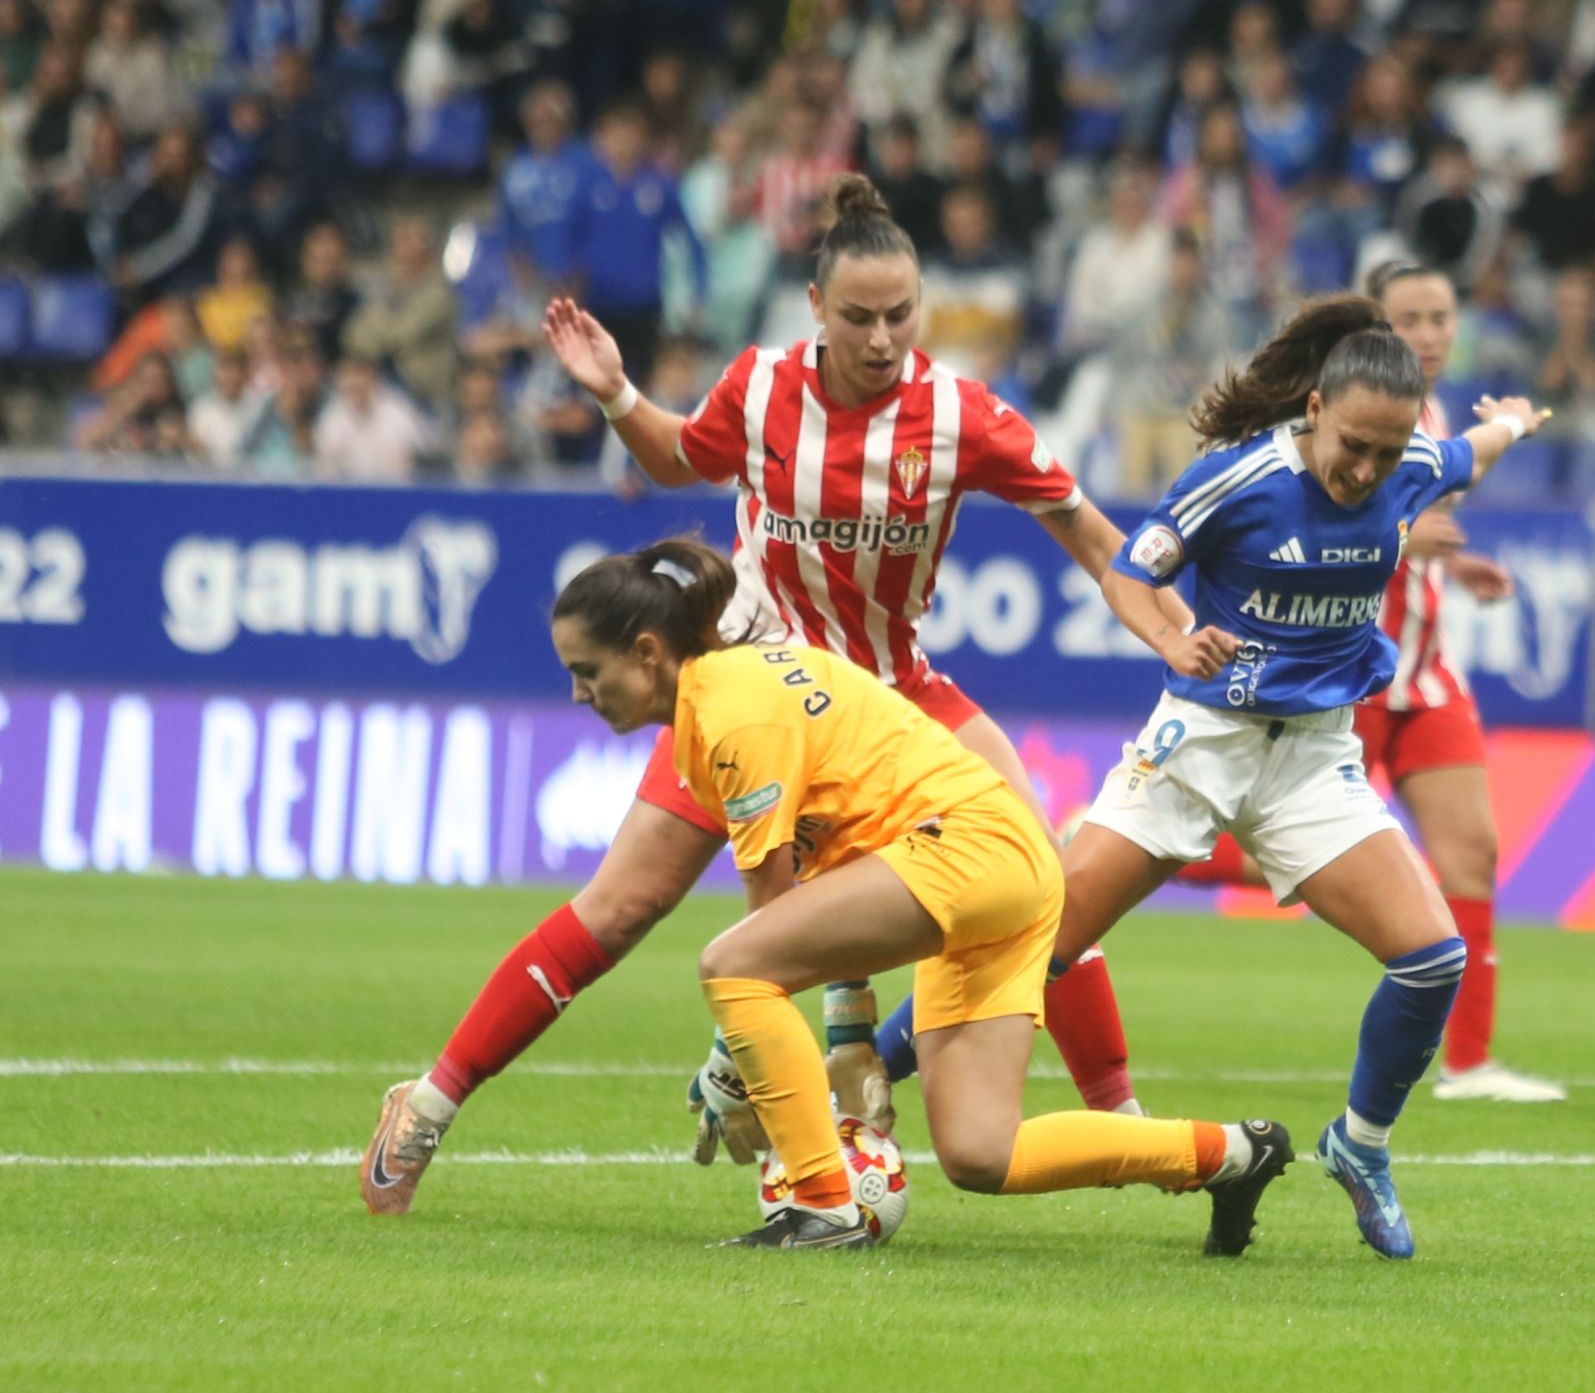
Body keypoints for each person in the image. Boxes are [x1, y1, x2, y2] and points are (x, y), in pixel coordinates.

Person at [359, 175, 1165, 1214]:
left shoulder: (961, 415)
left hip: (890, 694)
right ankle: (427, 1104)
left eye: (902, 316)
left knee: (1041, 874)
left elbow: (1090, 531)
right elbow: (677, 457)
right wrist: (615, 393)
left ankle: (1119, 1115)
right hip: (755, 688)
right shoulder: (763, 387)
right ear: (816, 308)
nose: (883, 339)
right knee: (620, 908)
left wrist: (1164, 625)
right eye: (861, 317)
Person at [544, 538, 1293, 1251]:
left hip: (967, 850)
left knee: (731, 965)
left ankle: (820, 1202)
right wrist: (844, 1035)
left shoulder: (731, 718)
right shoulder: (738, 690)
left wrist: (730, 1065)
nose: (579, 693)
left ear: (647, 653)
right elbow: (828, 891)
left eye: (587, 670)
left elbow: (771, 927)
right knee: (980, 1151)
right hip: (1004, 865)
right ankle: (1232, 1151)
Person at [1047, 296, 1552, 1260]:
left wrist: (1515, 423)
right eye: (1354, 444)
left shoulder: (1409, 465)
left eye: (1387, 451)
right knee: (1037, 946)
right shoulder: (1237, 478)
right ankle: (862, 1075)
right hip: (1199, 743)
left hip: (1316, 757)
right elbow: (1126, 566)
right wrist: (1169, 635)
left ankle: (1360, 1147)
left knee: (1432, 955)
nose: (1367, 470)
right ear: (1316, 407)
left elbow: (1469, 454)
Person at [1358, 262, 1566, 1102]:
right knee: (1267, 862)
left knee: (1472, 852)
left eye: (1442, 316)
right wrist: (1510, 429)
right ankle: (1108, 846)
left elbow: (1414, 519)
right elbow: (1333, 521)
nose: (1431, 333)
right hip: (1355, 673)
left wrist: (1454, 561)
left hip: (1427, 675)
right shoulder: (1356, 411)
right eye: (1410, 318)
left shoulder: (1433, 410)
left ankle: (1470, 1063)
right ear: (1373, 329)